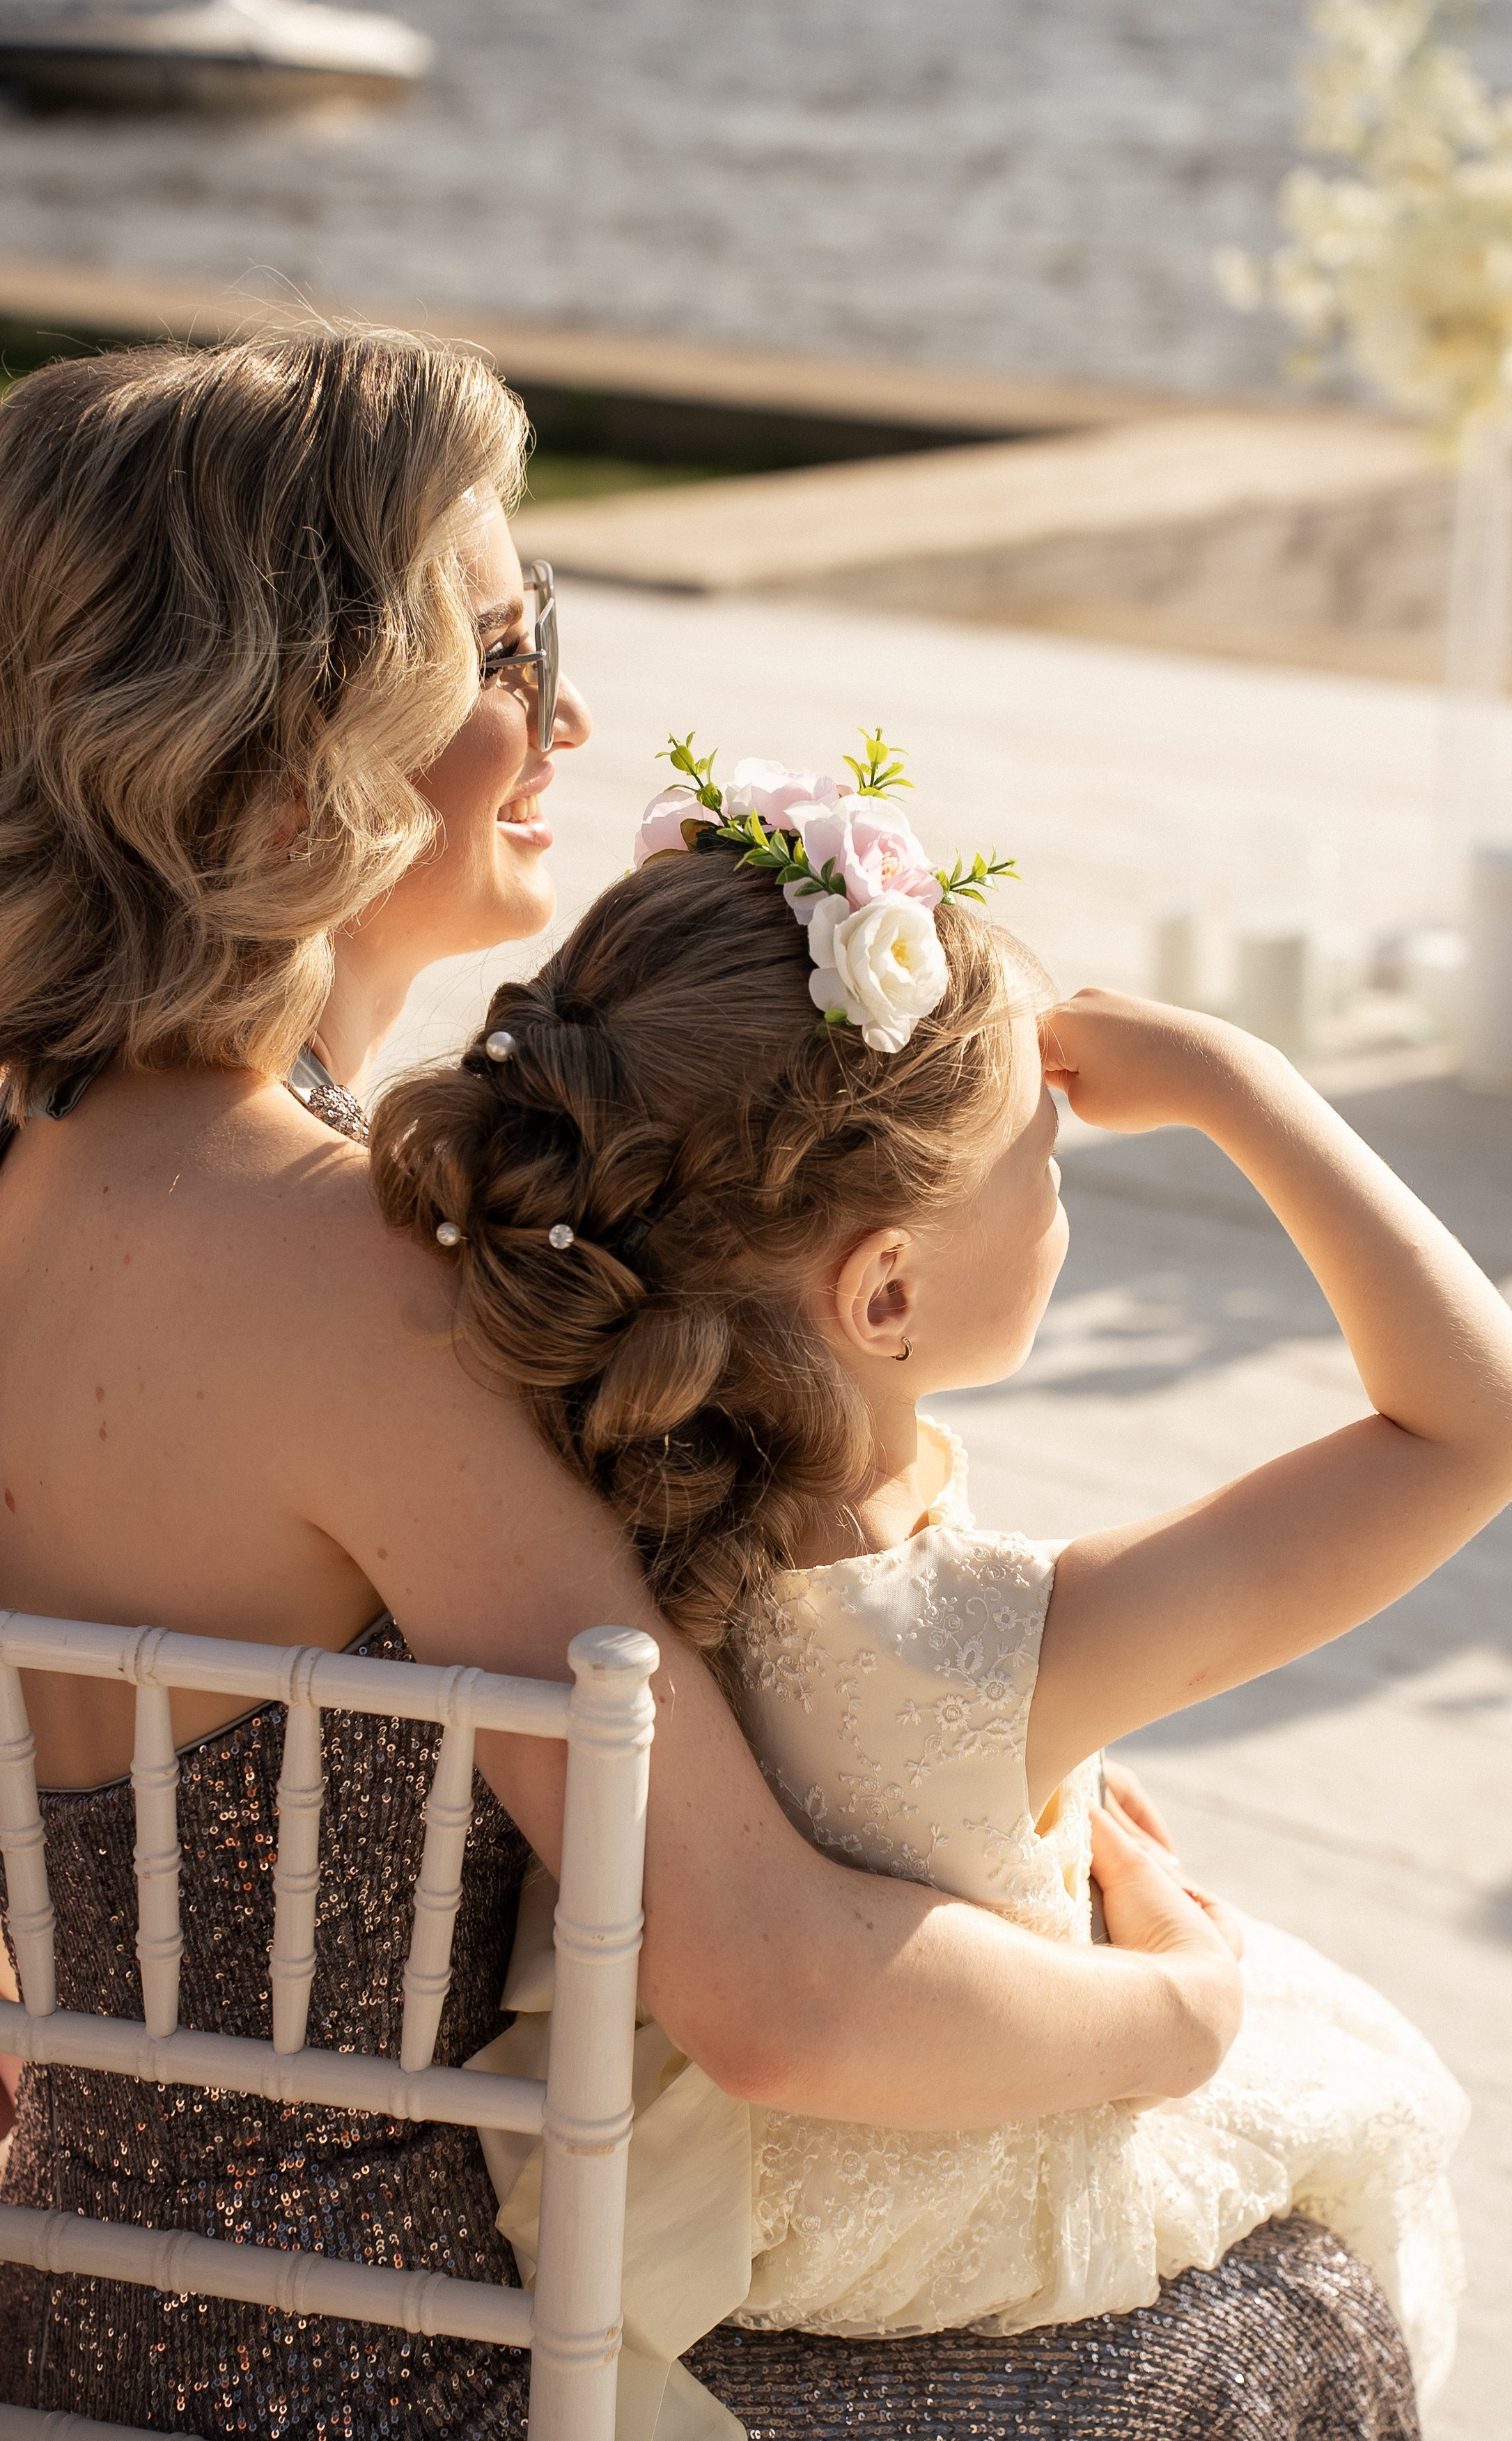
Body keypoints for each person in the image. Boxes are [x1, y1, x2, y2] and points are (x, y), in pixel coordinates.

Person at [0, 326, 1406, 2440]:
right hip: (396, 2360)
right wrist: (1176, 2014)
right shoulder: (348, 1279)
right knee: (1293, 2308)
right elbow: (771, 1994)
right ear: (293, 747)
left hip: (68, 2282)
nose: (566, 708)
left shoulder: (47, 1178)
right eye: (501, 646)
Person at [368, 748, 1512, 2433]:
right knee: (1326, 2157)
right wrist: (1243, 1086)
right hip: (913, 2220)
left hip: (656, 2200)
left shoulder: (566, 1494)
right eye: (1042, 1163)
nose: (1063, 1184)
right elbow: (1481, 1422)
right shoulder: (988, 1640)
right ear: (886, 1292)